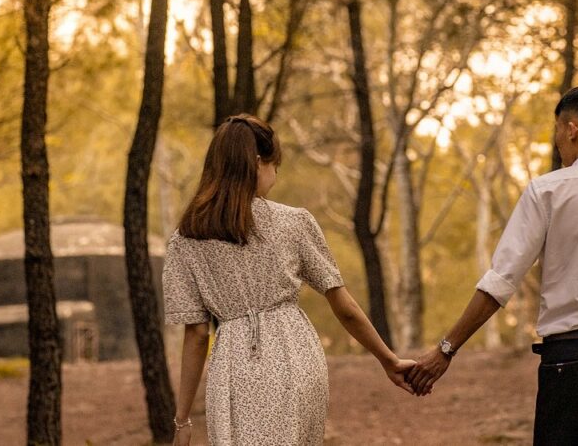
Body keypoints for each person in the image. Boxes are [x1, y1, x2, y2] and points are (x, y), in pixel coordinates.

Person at [407, 85, 578, 445]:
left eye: (557, 129)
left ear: (572, 129)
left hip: (567, 358)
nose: (557, 139)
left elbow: (500, 282)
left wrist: (445, 350)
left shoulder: (546, 191)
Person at [163, 114, 415, 445]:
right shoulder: (292, 223)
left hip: (232, 369)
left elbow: (196, 335)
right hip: (294, 355)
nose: (276, 175)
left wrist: (182, 421)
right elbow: (343, 305)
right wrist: (388, 359)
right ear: (256, 163)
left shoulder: (186, 238)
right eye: (273, 165)